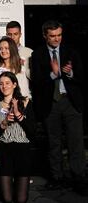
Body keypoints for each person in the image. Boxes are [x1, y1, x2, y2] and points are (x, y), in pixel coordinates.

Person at [31, 21, 87, 195]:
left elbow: (82, 76)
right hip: (50, 104)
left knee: (75, 142)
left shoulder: (71, 52)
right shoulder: (38, 55)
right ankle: (57, 178)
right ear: (45, 36)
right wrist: (52, 74)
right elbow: (37, 82)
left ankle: (79, 179)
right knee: (53, 143)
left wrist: (69, 73)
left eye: (59, 35)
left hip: (70, 102)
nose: (57, 39)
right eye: (53, 36)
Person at [0, 72, 35, 203]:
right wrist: (4, 123)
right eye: (1, 84)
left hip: (23, 150)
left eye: (7, 83)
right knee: (7, 199)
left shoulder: (26, 102)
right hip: (5, 151)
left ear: (14, 84)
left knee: (21, 200)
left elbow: (32, 131)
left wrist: (19, 115)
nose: (4, 86)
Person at [0, 37, 30, 107]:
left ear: (12, 49)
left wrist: (16, 106)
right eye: (0, 48)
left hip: (13, 107)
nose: (3, 51)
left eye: (6, 48)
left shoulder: (20, 68)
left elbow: (24, 91)